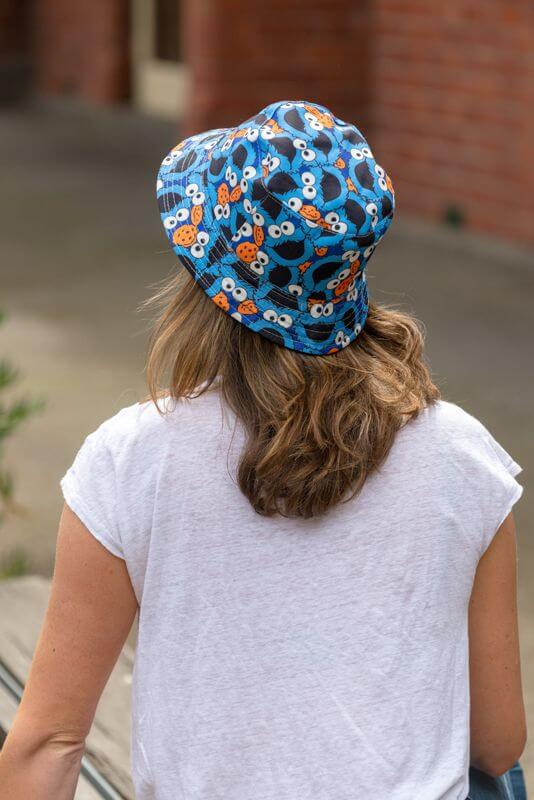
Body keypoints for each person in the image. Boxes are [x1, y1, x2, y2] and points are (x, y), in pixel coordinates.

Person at [0, 101, 526, 800]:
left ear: (205, 281)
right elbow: (495, 741)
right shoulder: (464, 458)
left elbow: (50, 747)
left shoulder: (132, 462)